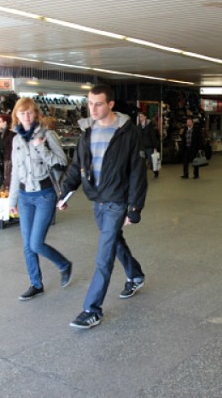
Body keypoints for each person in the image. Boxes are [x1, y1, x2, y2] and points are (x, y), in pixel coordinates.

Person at [59, 84, 147, 329]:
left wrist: (134, 208)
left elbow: (137, 173)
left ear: (110, 104)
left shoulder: (127, 133)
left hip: (117, 201)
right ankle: (136, 275)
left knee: (104, 255)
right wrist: (65, 192)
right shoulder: (87, 131)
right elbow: (77, 165)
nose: (93, 108)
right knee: (115, 241)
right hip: (96, 200)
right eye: (90, 103)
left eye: (98, 103)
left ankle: (92, 309)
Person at [8, 98, 73, 301]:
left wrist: (41, 148)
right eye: (22, 113)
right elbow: (15, 173)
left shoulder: (47, 134)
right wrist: (12, 201)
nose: (26, 116)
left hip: (45, 195)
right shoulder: (16, 139)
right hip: (25, 197)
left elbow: (62, 162)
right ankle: (36, 284)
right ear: (16, 115)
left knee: (36, 243)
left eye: (29, 112)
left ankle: (64, 264)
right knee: (27, 245)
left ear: (35, 113)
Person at [138, 112, 160, 178]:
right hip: (141, 147)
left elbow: (153, 136)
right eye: (139, 116)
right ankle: (142, 175)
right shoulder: (139, 126)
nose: (140, 118)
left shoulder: (150, 125)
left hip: (149, 147)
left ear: (145, 117)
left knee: (151, 161)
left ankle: (155, 171)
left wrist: (155, 147)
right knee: (141, 161)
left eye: (141, 116)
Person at [0, 114, 15, 190]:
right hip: (5, 156)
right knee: (6, 175)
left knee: (7, 175)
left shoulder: (10, 133)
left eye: (1, 121)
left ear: (6, 122)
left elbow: (6, 145)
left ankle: (7, 191)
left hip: (9, 157)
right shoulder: (1, 132)